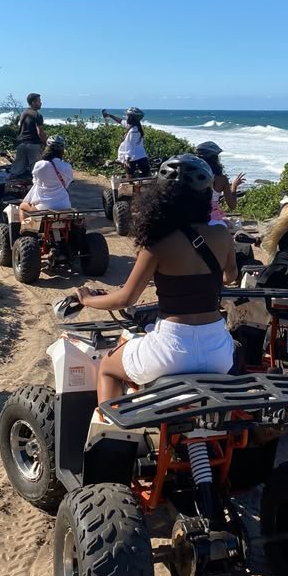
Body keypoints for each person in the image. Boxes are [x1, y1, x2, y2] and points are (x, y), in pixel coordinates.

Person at [74, 154, 238, 406]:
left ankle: (111, 434)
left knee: (107, 366)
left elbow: (126, 298)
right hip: (217, 350)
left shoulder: (158, 243)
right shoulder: (222, 234)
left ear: (161, 196)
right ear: (206, 196)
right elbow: (230, 276)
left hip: (171, 349)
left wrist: (87, 300)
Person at [195, 141, 246, 225]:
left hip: (194, 217)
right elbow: (232, 205)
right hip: (212, 219)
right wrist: (234, 186)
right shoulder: (221, 179)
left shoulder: (192, 175)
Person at [19, 135, 74, 212]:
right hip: (65, 205)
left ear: (47, 149)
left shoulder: (39, 164)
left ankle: (23, 224)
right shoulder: (67, 166)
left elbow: (35, 181)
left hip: (43, 207)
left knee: (22, 206)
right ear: (62, 151)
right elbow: (67, 184)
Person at [102, 106, 150, 177]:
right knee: (147, 177)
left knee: (130, 179)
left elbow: (131, 147)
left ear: (131, 117)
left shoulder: (133, 131)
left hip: (132, 158)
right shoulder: (133, 126)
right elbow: (121, 121)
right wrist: (109, 115)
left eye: (127, 115)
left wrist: (127, 160)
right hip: (141, 156)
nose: (126, 117)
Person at [9, 93, 47, 177]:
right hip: (33, 145)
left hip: (21, 144)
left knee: (17, 171)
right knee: (36, 172)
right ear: (33, 102)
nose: (41, 103)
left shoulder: (24, 113)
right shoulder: (37, 115)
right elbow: (39, 132)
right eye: (39, 101)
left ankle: (10, 188)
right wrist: (46, 143)